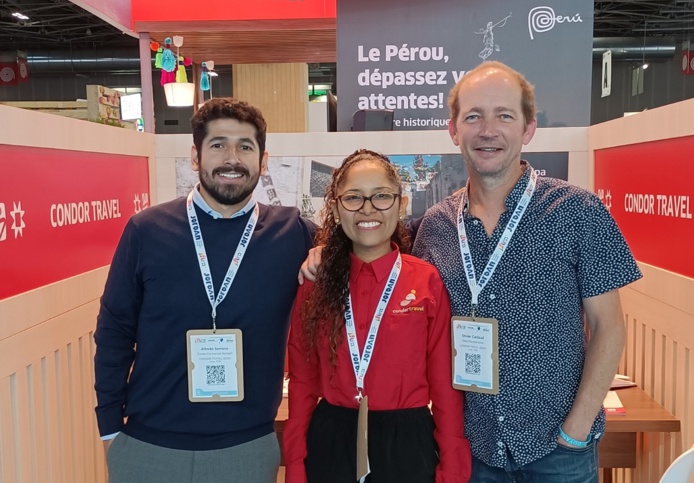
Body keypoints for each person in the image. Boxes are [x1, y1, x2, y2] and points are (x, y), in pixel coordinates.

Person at [300, 61, 642, 482]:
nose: (487, 130)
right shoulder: (435, 226)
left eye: (504, 115)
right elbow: (369, 237)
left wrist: (576, 429)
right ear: (453, 129)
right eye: (474, 116)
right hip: (474, 450)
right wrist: (322, 253)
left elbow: (609, 327)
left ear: (528, 128)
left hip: (557, 449)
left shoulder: (577, 211)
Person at [94, 98, 314, 483]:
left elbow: (360, 245)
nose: (232, 158)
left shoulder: (292, 232)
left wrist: (327, 246)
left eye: (245, 146)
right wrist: (110, 428)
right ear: (195, 157)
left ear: (263, 161)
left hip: (246, 450)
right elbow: (114, 333)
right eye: (218, 145)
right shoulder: (146, 230)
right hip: (149, 448)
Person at [284, 149, 471, 483]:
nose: (367, 209)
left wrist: (453, 467)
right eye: (353, 197)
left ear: (399, 204)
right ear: (337, 208)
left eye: (381, 196)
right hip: (332, 439)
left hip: (407, 442)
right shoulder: (315, 284)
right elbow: (301, 381)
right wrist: (296, 464)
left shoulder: (425, 280)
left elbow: (445, 384)